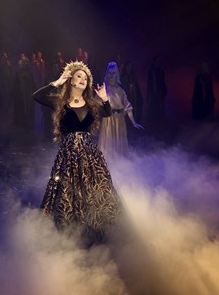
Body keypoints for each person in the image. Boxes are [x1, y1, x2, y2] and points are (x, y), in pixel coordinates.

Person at [32, 61, 121, 242]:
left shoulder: (91, 104)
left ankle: (93, 230)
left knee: (94, 191)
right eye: (79, 76)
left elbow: (107, 113)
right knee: (67, 193)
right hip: (68, 156)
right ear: (71, 79)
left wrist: (104, 99)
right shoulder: (60, 102)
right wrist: (57, 82)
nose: (82, 79)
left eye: (85, 78)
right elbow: (37, 96)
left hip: (90, 157)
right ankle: (70, 232)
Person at [97, 61, 144, 160]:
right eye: (109, 73)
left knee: (119, 144)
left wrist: (134, 122)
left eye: (113, 73)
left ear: (117, 74)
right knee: (108, 144)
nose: (111, 75)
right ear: (107, 74)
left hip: (119, 120)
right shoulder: (104, 89)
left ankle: (120, 163)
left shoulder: (120, 90)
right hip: (108, 120)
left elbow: (127, 106)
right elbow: (95, 105)